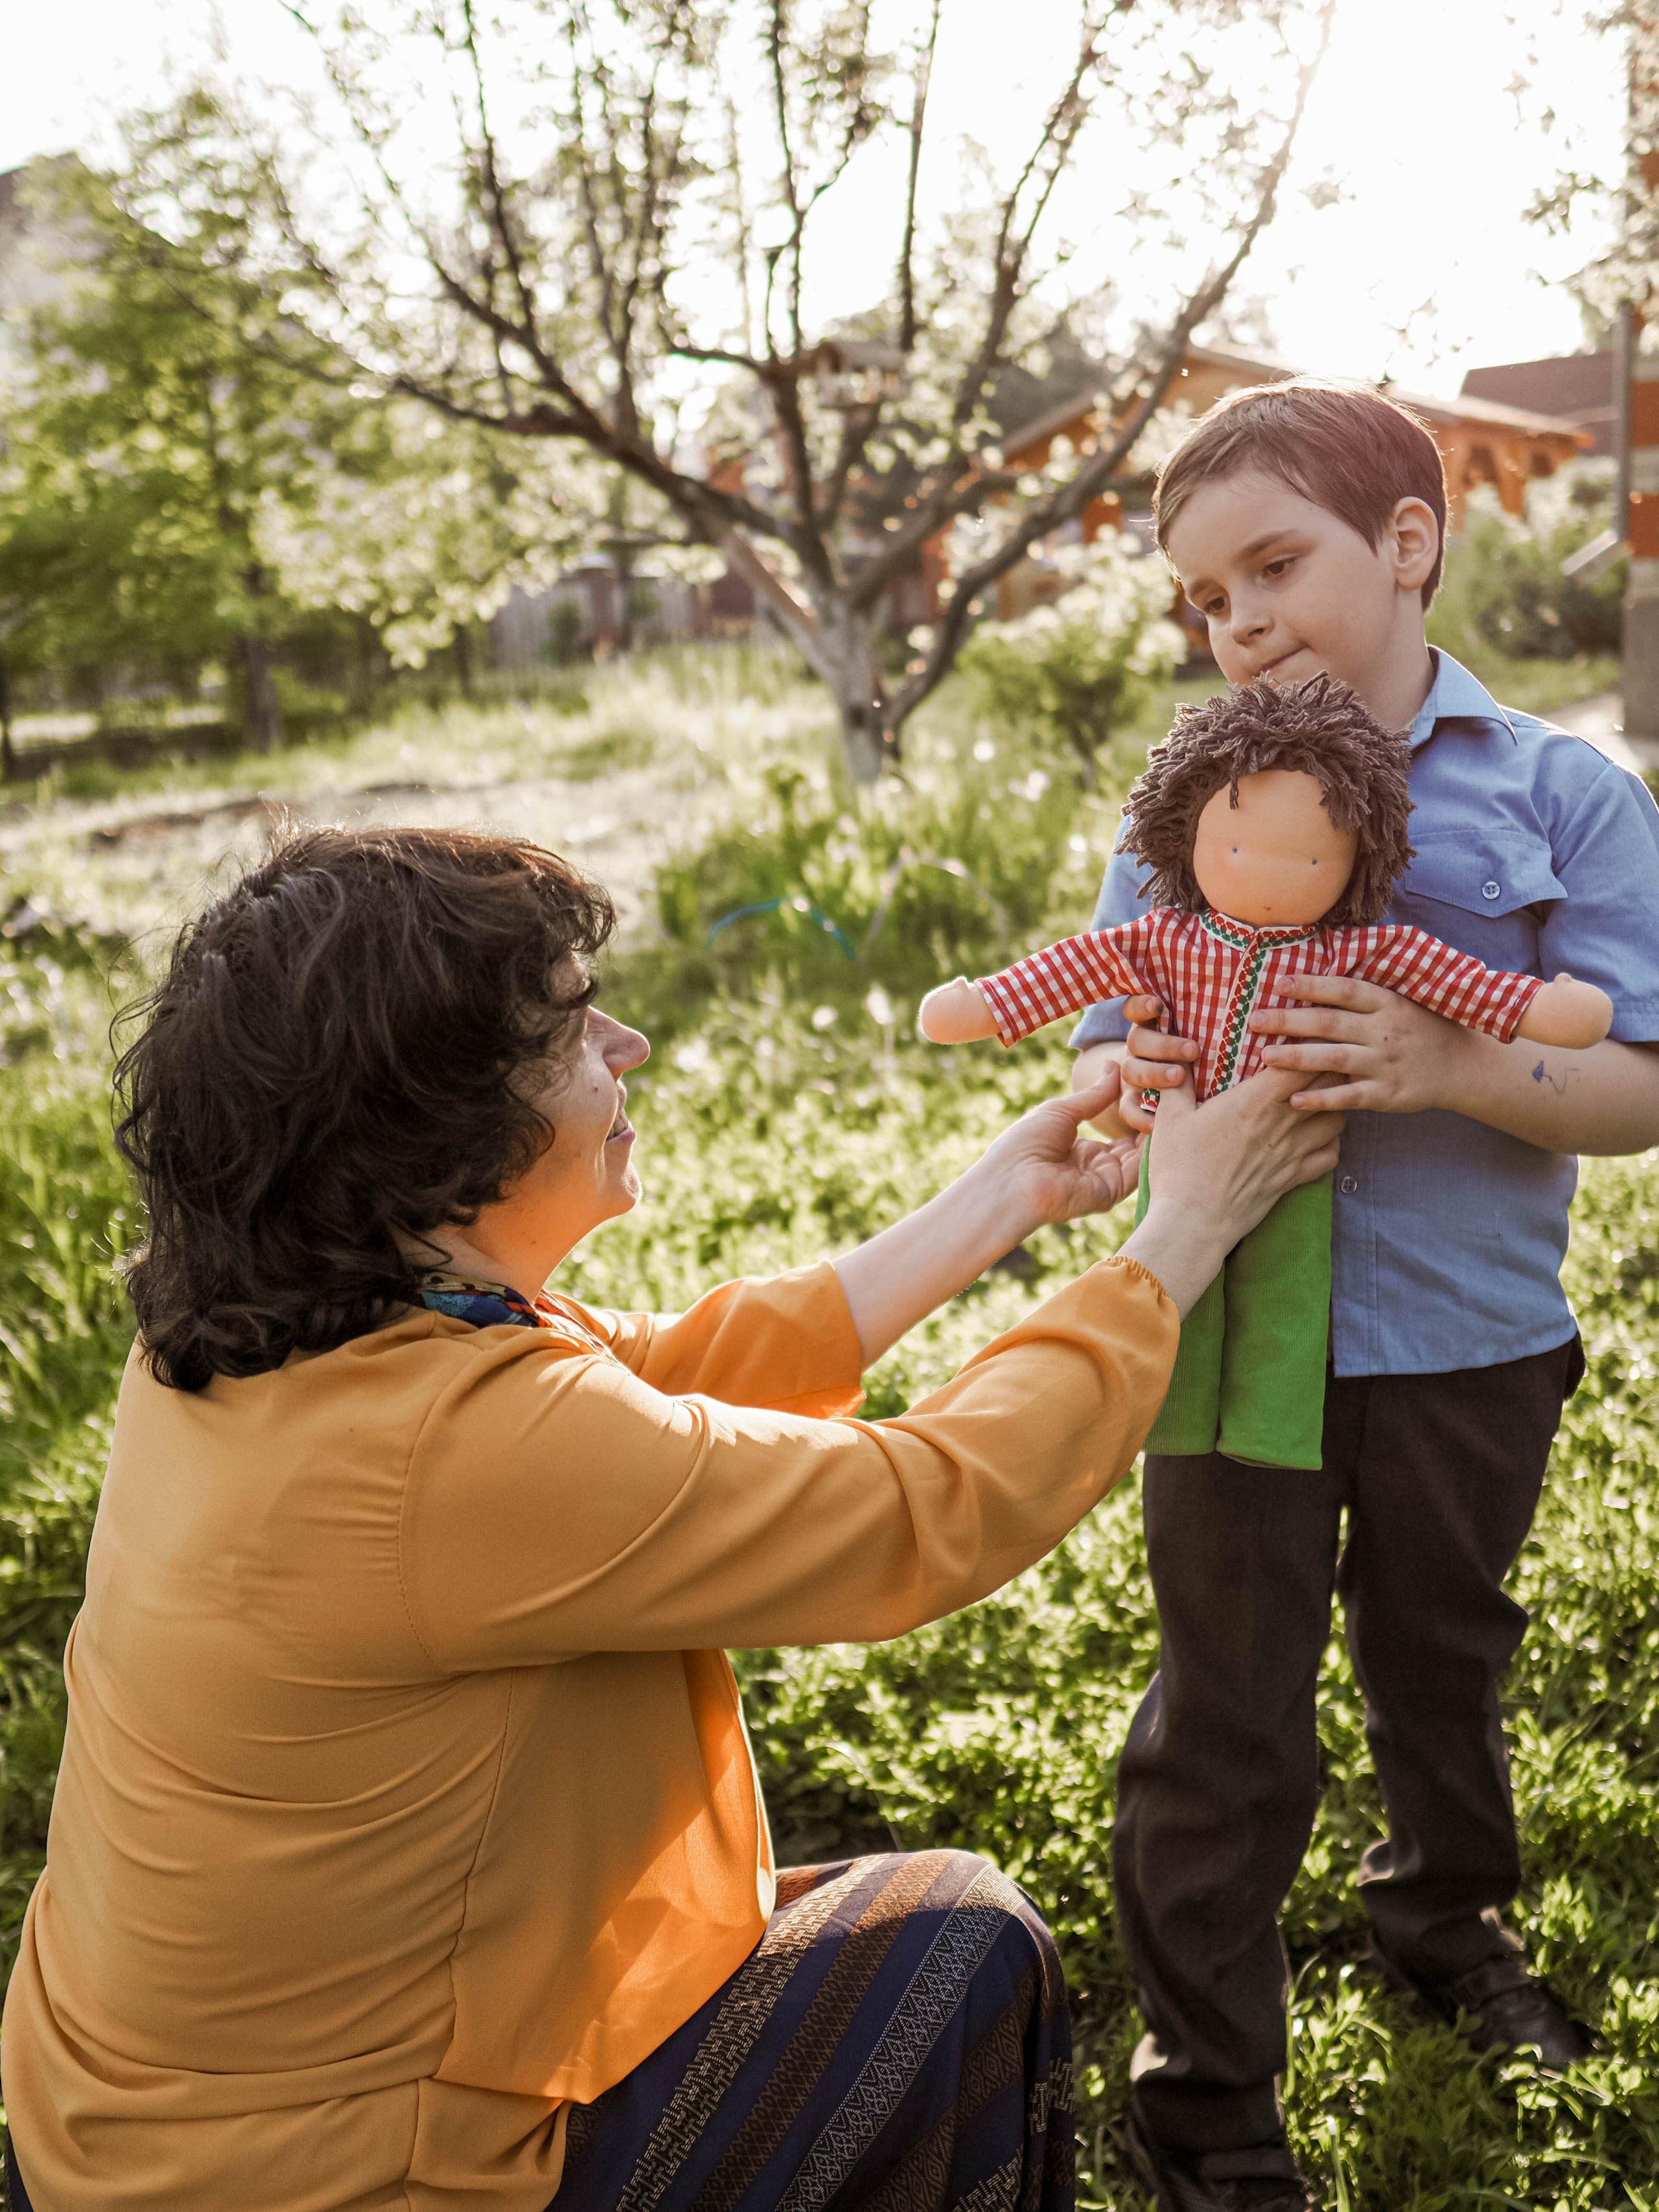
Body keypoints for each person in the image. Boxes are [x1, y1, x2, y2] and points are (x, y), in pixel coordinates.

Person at [0, 825, 1341, 2212]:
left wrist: (1002, 1196)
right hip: (327, 2177)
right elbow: (928, 1509)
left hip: (125, 2127)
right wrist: (1178, 1236)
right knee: (958, 1953)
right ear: (435, 1125)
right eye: (574, 1027)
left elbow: (650, 1373)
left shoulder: (269, 1332)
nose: (629, 1045)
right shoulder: (456, 1453)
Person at [1066, 379, 1659, 2212]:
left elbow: (1642, 1076)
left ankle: (1445, 1918)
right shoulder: (1190, 804)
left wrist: (1445, 1056)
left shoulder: (1564, 793)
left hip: (1471, 1338)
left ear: (1408, 544)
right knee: (1225, 1705)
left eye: (1272, 564)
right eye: (1204, 593)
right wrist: (1126, 1092)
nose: (1234, 619)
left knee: (1444, 1650)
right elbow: (1108, 1029)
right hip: (1238, 1341)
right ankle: (1209, 2087)